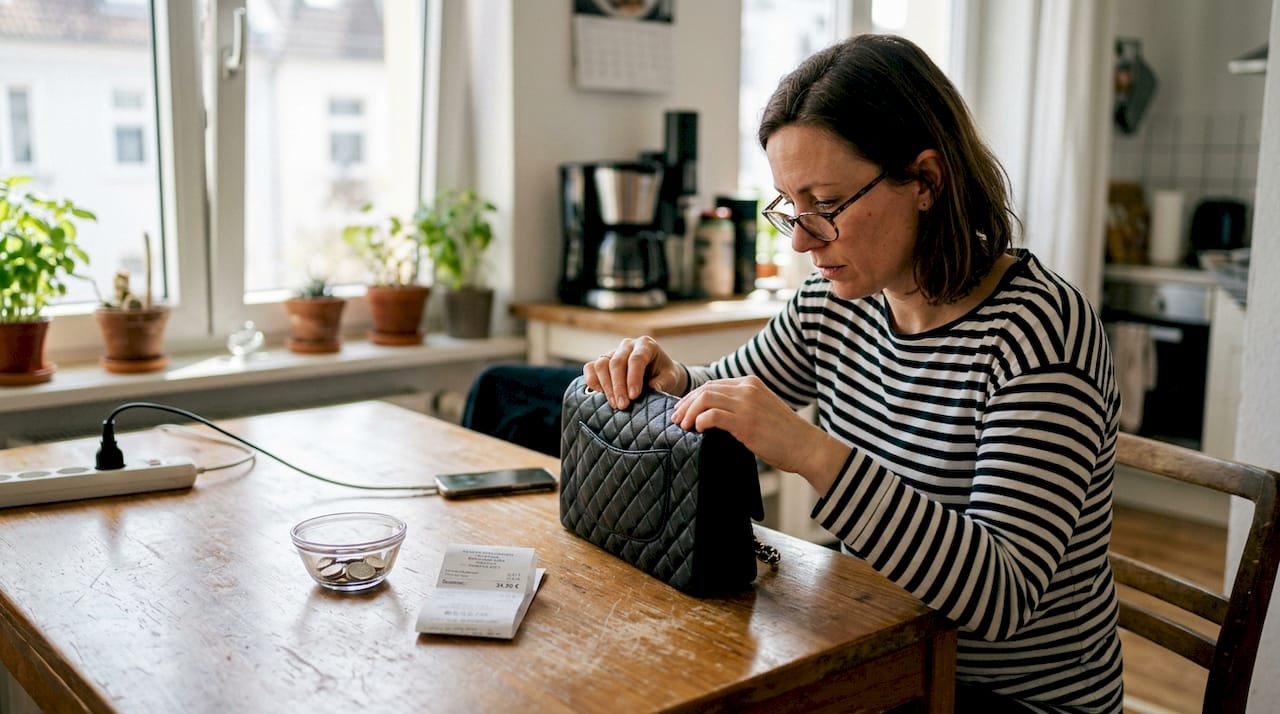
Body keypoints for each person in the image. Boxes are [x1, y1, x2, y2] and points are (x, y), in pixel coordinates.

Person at [583, 34, 1123, 713]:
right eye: (789, 207)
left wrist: (811, 453)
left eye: (826, 205)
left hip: (1005, 698)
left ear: (925, 180)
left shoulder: (1039, 332)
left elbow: (1000, 597)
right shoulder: (838, 302)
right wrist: (673, 378)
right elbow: (725, 392)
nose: (803, 241)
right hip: (878, 650)